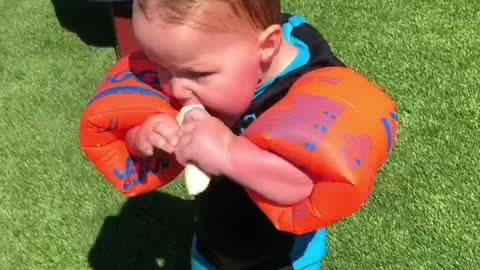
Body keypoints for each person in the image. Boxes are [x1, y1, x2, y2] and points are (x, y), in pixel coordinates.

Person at [122, 0, 346, 269]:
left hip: (283, 257)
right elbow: (138, 134)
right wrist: (144, 137)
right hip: (210, 246)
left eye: (197, 73)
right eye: (160, 66)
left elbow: (303, 187)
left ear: (266, 47)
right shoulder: (210, 51)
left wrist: (228, 153)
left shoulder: (307, 89)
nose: (175, 89)